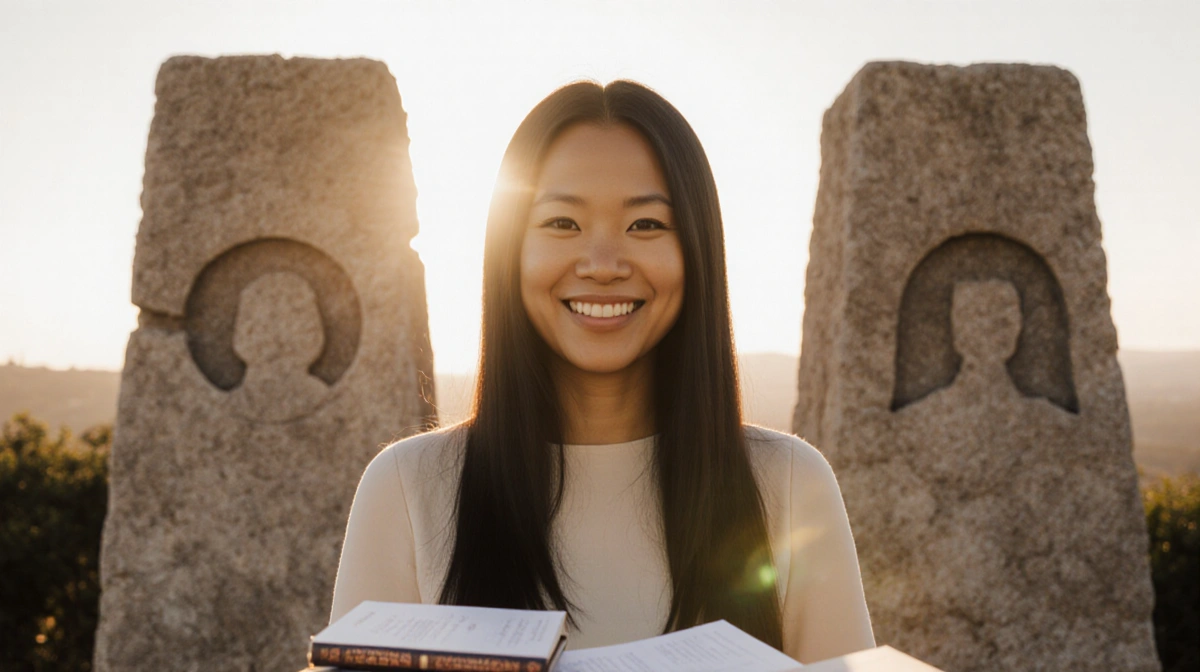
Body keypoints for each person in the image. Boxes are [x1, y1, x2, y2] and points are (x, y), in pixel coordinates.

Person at [329, 80, 875, 663]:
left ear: (697, 251)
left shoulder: (790, 484)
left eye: (646, 226)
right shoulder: (407, 488)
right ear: (509, 251)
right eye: (563, 223)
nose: (603, 265)